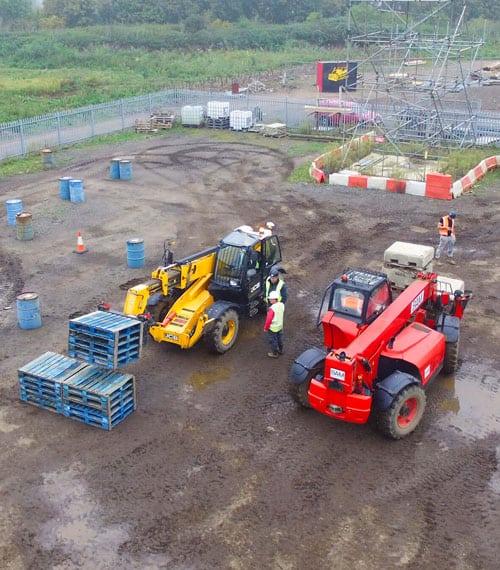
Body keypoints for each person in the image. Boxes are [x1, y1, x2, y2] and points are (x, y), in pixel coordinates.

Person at [263, 290, 284, 358]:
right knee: (279, 339)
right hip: (280, 326)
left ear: (275, 299)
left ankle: (274, 353)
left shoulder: (272, 308)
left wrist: (266, 328)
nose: (269, 300)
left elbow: (268, 320)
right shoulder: (282, 305)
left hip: (273, 328)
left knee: (273, 341)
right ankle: (281, 350)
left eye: (271, 299)